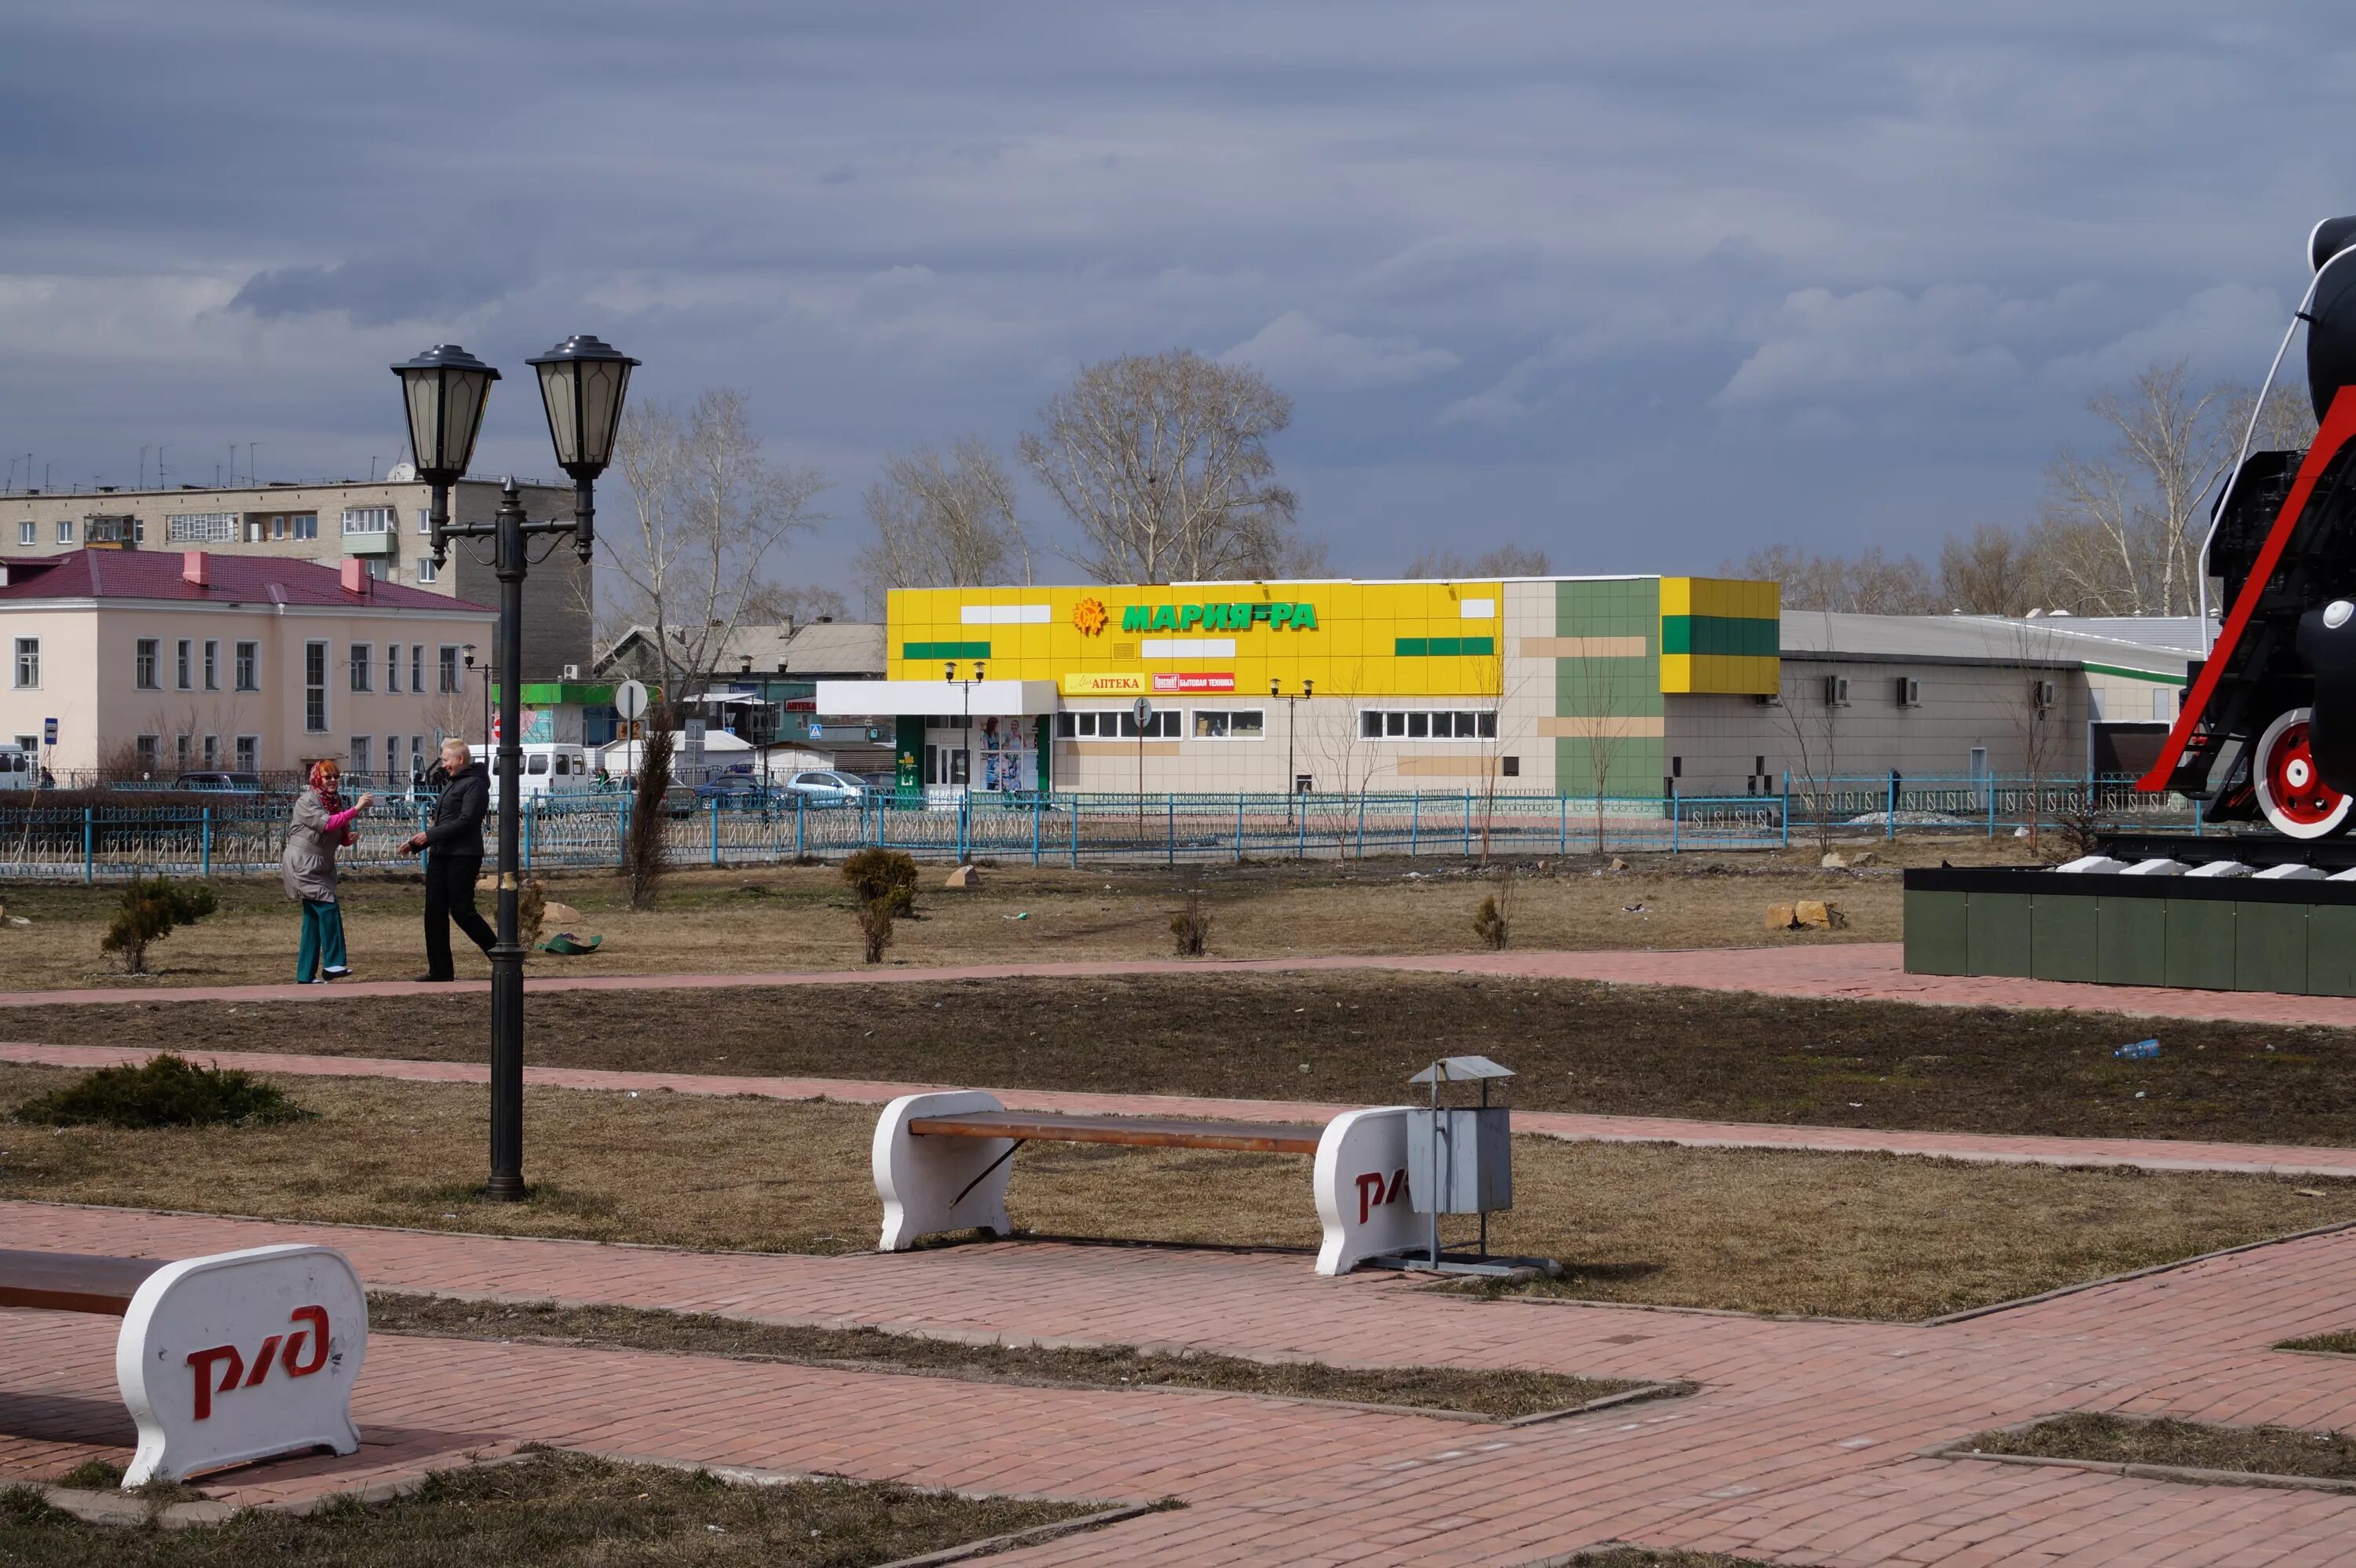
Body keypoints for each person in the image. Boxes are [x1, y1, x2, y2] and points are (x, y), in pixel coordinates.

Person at [403, 737, 495, 981]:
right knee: (434, 912)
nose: (443, 764)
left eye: (445, 759)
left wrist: (429, 835)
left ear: (460, 759)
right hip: (441, 855)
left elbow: (466, 821)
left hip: (463, 856)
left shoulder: (474, 785)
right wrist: (416, 843)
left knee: (462, 911)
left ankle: (502, 956)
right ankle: (440, 970)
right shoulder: (453, 783)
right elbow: (444, 823)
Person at [282, 759, 374, 983]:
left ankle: (305, 975)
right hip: (303, 863)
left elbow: (339, 830)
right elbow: (328, 824)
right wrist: (357, 808)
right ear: (317, 779)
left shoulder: (335, 801)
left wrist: (347, 840)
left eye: (335, 777)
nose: (333, 781)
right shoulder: (307, 801)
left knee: (313, 918)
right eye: (327, 777)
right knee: (328, 905)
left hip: (321, 864)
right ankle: (334, 962)